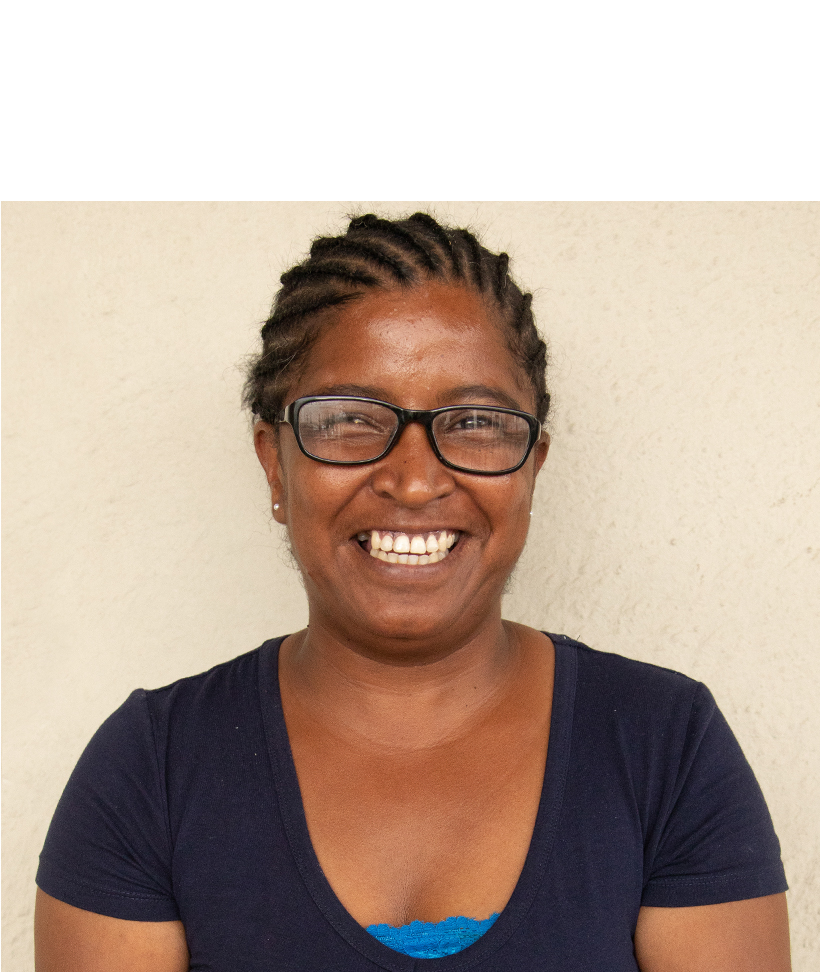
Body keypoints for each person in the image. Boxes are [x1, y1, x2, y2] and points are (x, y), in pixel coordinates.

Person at [34, 212, 790, 971]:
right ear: (274, 463)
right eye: (351, 420)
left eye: (474, 421)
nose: (416, 480)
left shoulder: (665, 747)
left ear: (533, 466)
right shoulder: (152, 770)